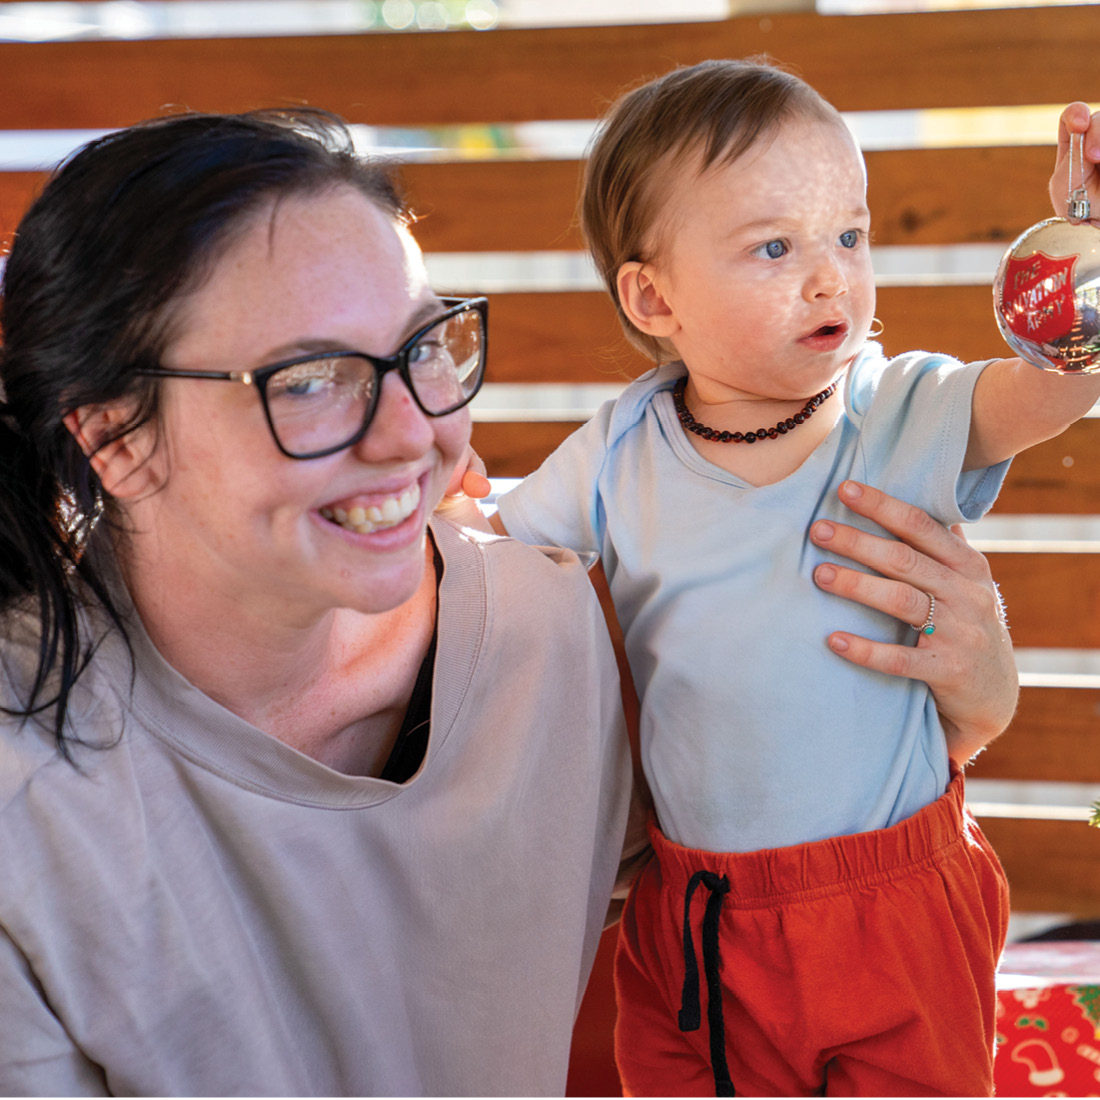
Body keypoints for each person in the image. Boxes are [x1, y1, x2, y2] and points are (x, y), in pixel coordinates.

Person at [0, 106, 1014, 1097]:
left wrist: (968, 710)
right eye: (310, 379)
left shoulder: (562, 633)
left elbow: (787, 825)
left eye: (422, 348)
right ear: (115, 438)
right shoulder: (29, 804)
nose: (412, 432)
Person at [485, 61, 1100, 1096]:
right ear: (654, 296)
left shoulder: (900, 409)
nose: (830, 279)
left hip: (892, 898)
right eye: (775, 248)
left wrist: (1082, 265)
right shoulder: (620, 448)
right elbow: (488, 544)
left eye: (848, 235)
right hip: (696, 912)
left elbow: (1049, 392)